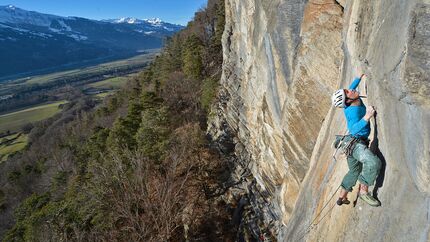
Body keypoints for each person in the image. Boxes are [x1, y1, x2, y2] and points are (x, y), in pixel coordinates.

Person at [331, 74, 381, 207]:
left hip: (348, 144)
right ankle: (364, 191)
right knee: (373, 163)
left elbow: (352, 88)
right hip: (356, 143)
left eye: (346, 90)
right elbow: (353, 129)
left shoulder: (350, 99)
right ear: (347, 101)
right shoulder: (352, 111)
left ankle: (342, 197)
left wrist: (359, 77)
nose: (350, 90)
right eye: (347, 92)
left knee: (354, 171)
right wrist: (367, 116)